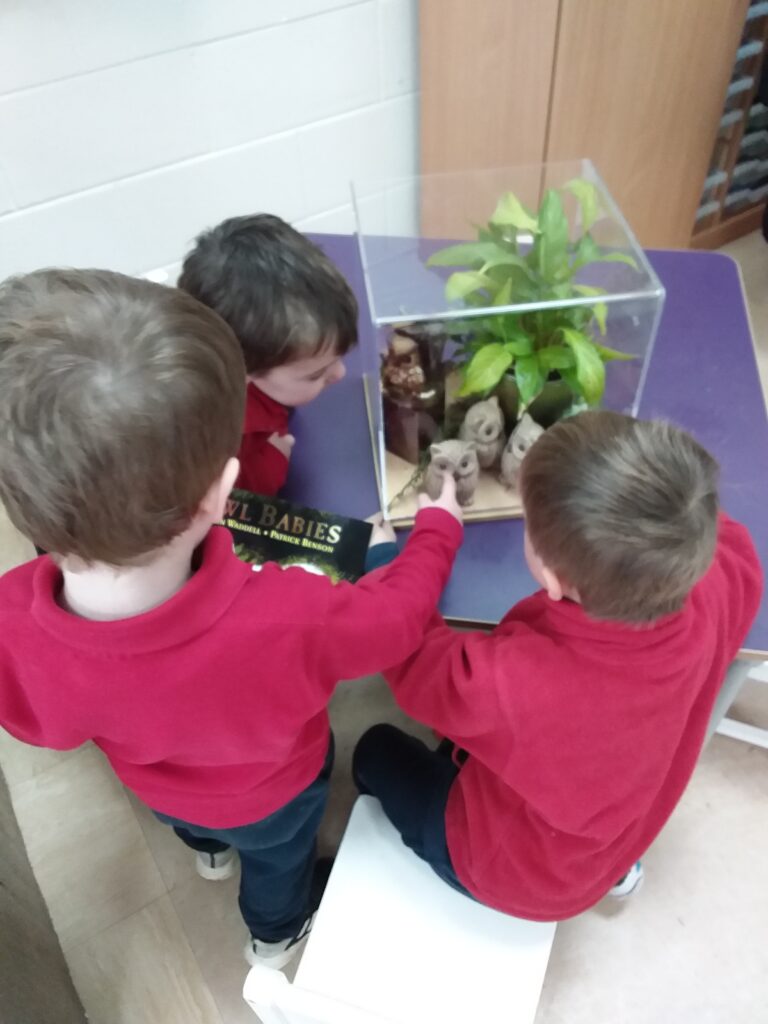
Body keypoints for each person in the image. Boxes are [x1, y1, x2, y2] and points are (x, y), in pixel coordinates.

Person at [0, 268, 462, 968]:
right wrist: (436, 531)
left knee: (195, 827)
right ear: (223, 492)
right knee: (279, 865)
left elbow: (47, 725)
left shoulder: (13, 625)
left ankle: (208, 853)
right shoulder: (291, 614)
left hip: (156, 784)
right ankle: (274, 934)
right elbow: (395, 621)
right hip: (276, 793)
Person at [353, 411, 762, 921]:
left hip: (515, 872)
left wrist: (389, 565)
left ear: (550, 575)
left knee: (373, 748)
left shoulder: (515, 687)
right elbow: (712, 525)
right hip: (616, 831)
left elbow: (410, 658)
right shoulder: (721, 568)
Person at [178, 213, 358, 495]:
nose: (340, 374)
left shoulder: (261, 359)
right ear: (241, 371)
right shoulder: (222, 434)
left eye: (338, 358)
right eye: (315, 374)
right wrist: (274, 459)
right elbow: (240, 500)